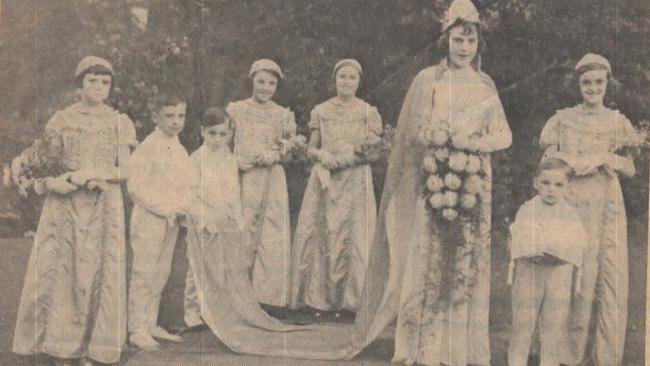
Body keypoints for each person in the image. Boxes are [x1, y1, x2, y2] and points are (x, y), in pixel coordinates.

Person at [12, 56, 137, 366]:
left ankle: (92, 349)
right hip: (65, 208)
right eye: (92, 81)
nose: (98, 87)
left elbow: (127, 169)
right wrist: (61, 181)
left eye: (105, 82)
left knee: (98, 273)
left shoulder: (118, 121)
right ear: (79, 84)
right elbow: (41, 169)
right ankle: (58, 347)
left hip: (103, 206)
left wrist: (96, 174)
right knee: (64, 272)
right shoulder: (61, 120)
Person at [539, 53, 639, 366]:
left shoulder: (617, 122)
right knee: (572, 271)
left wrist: (608, 160)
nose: (593, 88)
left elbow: (631, 167)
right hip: (572, 202)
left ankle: (603, 354)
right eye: (586, 82)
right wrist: (567, 162)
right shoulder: (562, 120)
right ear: (577, 84)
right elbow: (548, 162)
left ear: (608, 84)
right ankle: (565, 354)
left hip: (606, 205)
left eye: (598, 82)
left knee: (604, 272)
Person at [291, 59, 381, 320]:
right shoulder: (321, 111)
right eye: (342, 77)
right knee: (324, 233)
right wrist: (323, 156)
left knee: (353, 236)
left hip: (355, 179)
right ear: (335, 79)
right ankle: (319, 301)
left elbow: (373, 151)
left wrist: (347, 159)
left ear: (359, 81)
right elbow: (310, 147)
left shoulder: (368, 112)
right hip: (326, 179)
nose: (347, 82)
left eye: (352, 78)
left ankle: (351, 302)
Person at [226, 59, 295, 313]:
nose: (266, 87)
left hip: (272, 177)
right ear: (252, 80)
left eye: (271, 83)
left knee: (272, 231)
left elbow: (289, 150)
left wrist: (276, 155)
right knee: (243, 228)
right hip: (244, 177)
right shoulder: (236, 110)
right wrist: (235, 161)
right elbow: (223, 144)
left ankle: (267, 298)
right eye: (261, 81)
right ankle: (236, 294)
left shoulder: (283, 114)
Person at [507, 155, 588, 366]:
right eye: (546, 183)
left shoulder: (570, 215)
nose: (551, 189)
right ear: (536, 183)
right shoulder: (527, 209)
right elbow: (519, 238)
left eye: (558, 184)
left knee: (553, 328)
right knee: (523, 325)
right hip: (530, 271)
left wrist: (560, 253)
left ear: (567, 186)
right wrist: (532, 249)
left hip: (558, 274)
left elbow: (577, 243)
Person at [126, 92, 192, 350]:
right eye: (169, 116)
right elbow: (136, 188)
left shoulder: (179, 147)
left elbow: (185, 184)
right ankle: (136, 329)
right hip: (150, 219)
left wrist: (183, 207)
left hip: (172, 220)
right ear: (156, 117)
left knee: (161, 273)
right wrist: (165, 208)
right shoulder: (148, 147)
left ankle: (150, 323)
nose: (176, 121)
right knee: (144, 273)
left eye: (180, 116)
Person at [183, 107, 242, 329]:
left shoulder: (228, 156)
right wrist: (203, 217)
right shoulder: (196, 158)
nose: (218, 139)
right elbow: (189, 192)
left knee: (221, 265)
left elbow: (233, 188)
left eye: (222, 134)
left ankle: (215, 309)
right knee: (196, 266)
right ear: (202, 132)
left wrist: (236, 215)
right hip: (202, 217)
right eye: (212, 133)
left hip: (223, 216)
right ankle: (192, 313)